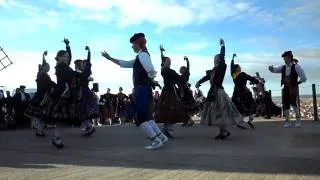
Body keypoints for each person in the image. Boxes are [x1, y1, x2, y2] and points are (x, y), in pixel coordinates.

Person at [102, 33, 168, 150]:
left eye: (133, 44)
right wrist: (110, 58)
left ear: (137, 44)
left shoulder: (142, 56)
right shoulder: (140, 56)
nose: (132, 46)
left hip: (142, 89)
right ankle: (160, 137)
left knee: (140, 118)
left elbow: (151, 70)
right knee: (147, 117)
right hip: (144, 89)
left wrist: (151, 80)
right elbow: (124, 63)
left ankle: (155, 140)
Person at [195, 38, 243, 140]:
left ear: (219, 60)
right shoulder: (213, 70)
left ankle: (224, 131)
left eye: (216, 58)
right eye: (214, 58)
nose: (214, 59)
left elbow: (222, 56)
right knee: (216, 112)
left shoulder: (221, 67)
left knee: (220, 111)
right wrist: (198, 82)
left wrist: (223, 46)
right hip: (213, 92)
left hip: (219, 92)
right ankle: (222, 132)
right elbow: (206, 77)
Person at [154, 45, 189, 138]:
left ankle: (166, 129)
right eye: (168, 61)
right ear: (164, 62)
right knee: (172, 110)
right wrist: (185, 75)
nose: (169, 62)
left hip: (169, 91)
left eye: (170, 61)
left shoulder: (165, 70)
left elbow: (179, 79)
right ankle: (167, 129)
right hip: (169, 92)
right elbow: (179, 78)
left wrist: (161, 52)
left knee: (171, 111)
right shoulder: (167, 70)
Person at [268, 51, 307, 128]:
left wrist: (297, 83)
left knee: (293, 103)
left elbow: (304, 78)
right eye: (284, 59)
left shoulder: (296, 67)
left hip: (293, 87)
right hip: (285, 87)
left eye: (286, 58)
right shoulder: (283, 67)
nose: (284, 60)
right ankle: (288, 121)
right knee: (285, 104)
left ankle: (298, 120)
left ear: (290, 58)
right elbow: (275, 70)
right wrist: (271, 69)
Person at [24, 51, 56, 136]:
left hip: (42, 95)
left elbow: (50, 83)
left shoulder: (44, 74)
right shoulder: (42, 74)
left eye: (49, 67)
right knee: (42, 113)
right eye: (48, 67)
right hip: (42, 96)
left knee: (43, 114)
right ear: (44, 67)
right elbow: (47, 84)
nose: (49, 68)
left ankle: (39, 130)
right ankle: (39, 130)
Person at [230, 53, 263, 129]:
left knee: (239, 108)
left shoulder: (233, 74)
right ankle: (249, 120)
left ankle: (240, 122)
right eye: (239, 67)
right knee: (251, 106)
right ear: (237, 69)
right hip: (244, 92)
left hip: (236, 92)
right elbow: (251, 78)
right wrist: (258, 82)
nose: (240, 67)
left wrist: (232, 59)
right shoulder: (242, 74)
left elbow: (231, 67)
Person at [179, 56, 197, 126]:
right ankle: (186, 121)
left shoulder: (186, 74)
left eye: (181, 69)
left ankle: (188, 121)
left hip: (185, 92)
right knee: (183, 107)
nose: (180, 70)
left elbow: (188, 67)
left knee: (185, 107)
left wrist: (187, 60)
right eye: (180, 69)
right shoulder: (180, 76)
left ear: (184, 70)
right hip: (181, 92)